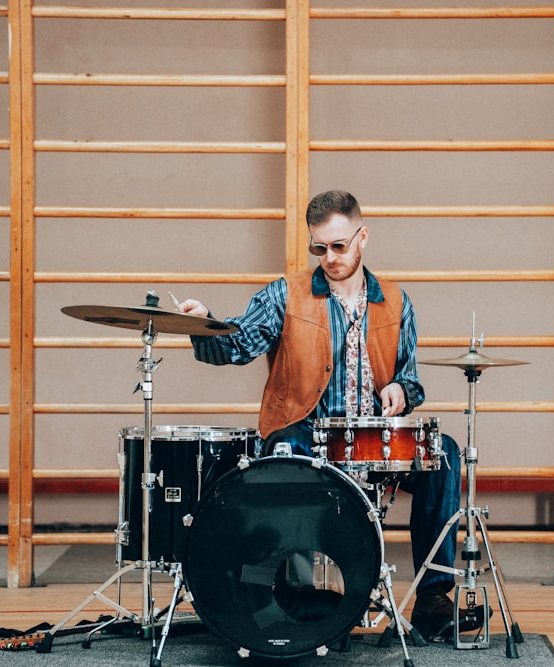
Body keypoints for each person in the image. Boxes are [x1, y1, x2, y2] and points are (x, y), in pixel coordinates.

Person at [175, 189, 480, 641]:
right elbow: (235, 346)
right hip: (304, 433)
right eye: (319, 248)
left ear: (362, 237)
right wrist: (203, 322)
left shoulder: (396, 301)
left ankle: (434, 598)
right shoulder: (285, 295)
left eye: (339, 245)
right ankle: (294, 597)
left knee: (447, 455)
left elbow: (411, 381)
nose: (330, 257)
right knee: (286, 449)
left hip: (371, 439)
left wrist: (400, 389)